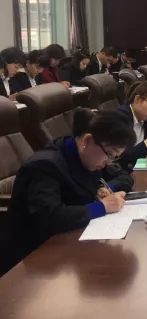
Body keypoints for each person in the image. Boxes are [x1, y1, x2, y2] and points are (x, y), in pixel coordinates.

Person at [2, 108, 135, 276]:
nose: (109, 162)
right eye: (110, 155)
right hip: (35, 260)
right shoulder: (45, 166)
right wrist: (102, 207)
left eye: (114, 157)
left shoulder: (89, 156)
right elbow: (50, 217)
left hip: (73, 242)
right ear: (87, 140)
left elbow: (124, 176)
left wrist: (108, 188)